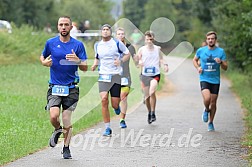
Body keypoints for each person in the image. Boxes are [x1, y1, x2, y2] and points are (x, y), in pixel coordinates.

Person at [40, 16, 88, 159]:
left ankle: (66, 148)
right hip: (55, 86)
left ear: (71, 27)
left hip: (71, 87)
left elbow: (85, 68)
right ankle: (57, 129)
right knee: (54, 116)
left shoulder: (78, 45)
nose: (64, 27)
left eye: (66, 25)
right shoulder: (51, 43)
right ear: (57, 27)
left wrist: (77, 60)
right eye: (61, 24)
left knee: (66, 118)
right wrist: (44, 62)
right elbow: (42, 56)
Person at [91, 24, 130, 136]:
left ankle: (116, 108)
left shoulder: (117, 43)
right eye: (103, 30)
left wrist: (121, 60)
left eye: (107, 29)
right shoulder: (97, 45)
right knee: (104, 100)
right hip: (103, 76)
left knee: (114, 104)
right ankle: (107, 128)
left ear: (110, 32)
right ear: (101, 32)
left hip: (115, 76)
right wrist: (94, 65)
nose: (105, 31)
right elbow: (97, 57)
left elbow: (127, 54)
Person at [193, 31, 228, 131]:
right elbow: (194, 60)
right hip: (204, 78)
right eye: (208, 39)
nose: (210, 40)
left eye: (212, 39)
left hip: (215, 80)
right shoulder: (201, 50)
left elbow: (225, 67)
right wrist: (198, 68)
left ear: (215, 40)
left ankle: (211, 122)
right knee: (207, 98)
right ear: (206, 40)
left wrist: (221, 62)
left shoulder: (221, 52)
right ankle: (206, 109)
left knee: (213, 102)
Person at [137, 31, 169, 124]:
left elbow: (161, 58)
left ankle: (153, 112)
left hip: (155, 74)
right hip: (145, 75)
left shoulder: (157, 49)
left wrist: (165, 65)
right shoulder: (141, 49)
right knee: (147, 97)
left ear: (153, 39)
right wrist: (139, 62)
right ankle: (149, 113)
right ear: (145, 40)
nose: (149, 41)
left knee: (152, 92)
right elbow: (138, 60)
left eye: (151, 39)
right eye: (147, 39)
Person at [115, 27, 138, 128]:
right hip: (114, 76)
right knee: (115, 100)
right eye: (119, 34)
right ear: (116, 36)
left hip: (125, 76)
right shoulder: (112, 47)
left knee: (123, 97)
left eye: (122, 34)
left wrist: (138, 61)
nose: (121, 36)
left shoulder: (130, 47)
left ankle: (122, 120)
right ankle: (116, 108)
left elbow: (136, 61)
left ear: (125, 35)